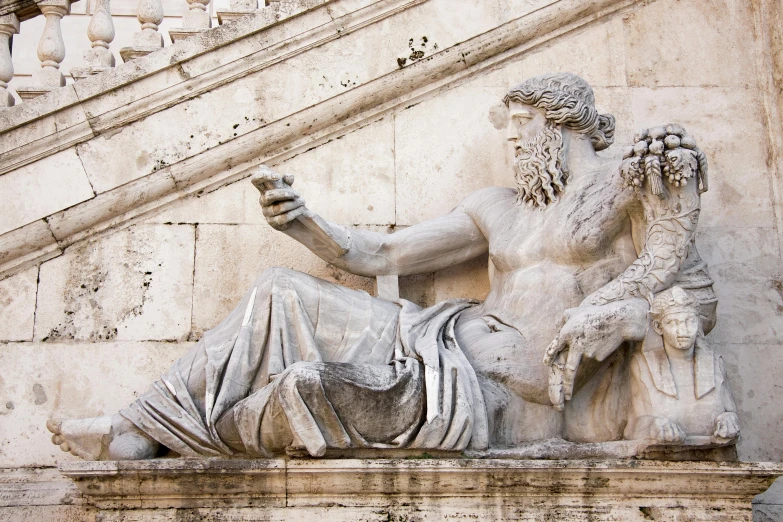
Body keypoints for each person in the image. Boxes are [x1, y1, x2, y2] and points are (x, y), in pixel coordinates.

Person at [48, 73, 715, 460]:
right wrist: (303, 221)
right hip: (438, 339)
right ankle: (137, 427)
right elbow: (382, 255)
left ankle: (172, 432)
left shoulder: (627, 190)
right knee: (279, 289)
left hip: (503, 389)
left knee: (310, 386)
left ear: (558, 121)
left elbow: (687, 292)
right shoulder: (494, 207)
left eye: (518, 123)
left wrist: (620, 316)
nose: (509, 139)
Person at [624, 286, 739, 444]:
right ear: (658, 327)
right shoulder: (642, 365)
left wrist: (729, 419)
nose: (683, 330)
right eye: (673, 323)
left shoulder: (715, 362)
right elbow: (632, 426)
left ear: (698, 323)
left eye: (690, 321)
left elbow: (729, 411)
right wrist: (653, 425)